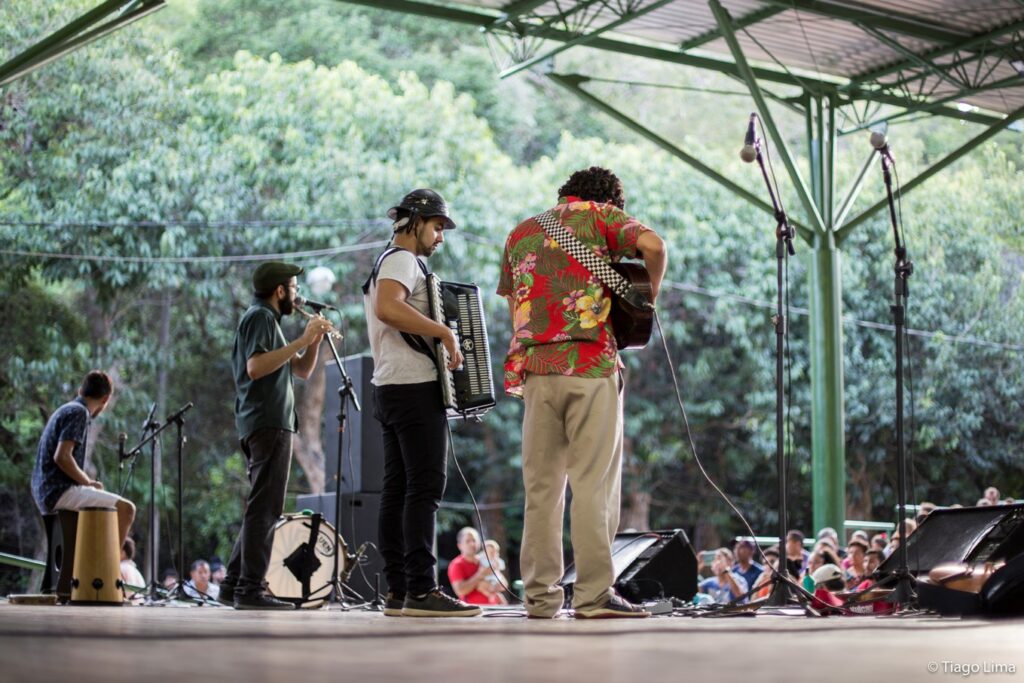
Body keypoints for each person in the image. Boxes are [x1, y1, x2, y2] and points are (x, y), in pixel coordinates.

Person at [498, 167, 667, 619]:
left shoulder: (521, 232)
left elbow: (513, 302)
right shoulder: (601, 218)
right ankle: (593, 598)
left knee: (541, 489)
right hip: (591, 364)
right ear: (612, 200)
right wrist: (649, 298)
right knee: (593, 484)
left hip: (536, 369)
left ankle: (539, 598)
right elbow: (654, 246)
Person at [363, 189, 479, 619]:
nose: (440, 238)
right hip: (412, 386)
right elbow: (389, 306)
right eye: (437, 227)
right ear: (415, 222)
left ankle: (398, 590)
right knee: (424, 489)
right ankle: (422, 590)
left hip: (390, 386)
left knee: (398, 491)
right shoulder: (401, 260)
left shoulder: (389, 261)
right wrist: (445, 333)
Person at [218, 261, 331, 611]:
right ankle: (250, 589)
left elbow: (300, 369)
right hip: (267, 422)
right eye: (294, 288)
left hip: (272, 422)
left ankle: (234, 584)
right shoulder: (261, 317)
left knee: (261, 507)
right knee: (266, 510)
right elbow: (255, 367)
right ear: (280, 290)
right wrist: (302, 337)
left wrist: (313, 341)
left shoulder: (271, 323)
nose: (297, 295)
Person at [31, 371, 136, 547]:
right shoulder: (79, 412)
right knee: (126, 509)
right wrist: (87, 482)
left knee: (102, 508)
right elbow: (62, 457)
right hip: (57, 491)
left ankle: (93, 566)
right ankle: (112, 570)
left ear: (81, 391)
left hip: (45, 490)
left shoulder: (67, 409)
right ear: (105, 399)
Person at [447, 527, 501, 606]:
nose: (472, 544)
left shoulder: (486, 561)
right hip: (472, 612)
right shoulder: (456, 564)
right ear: (459, 545)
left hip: (494, 608)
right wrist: (480, 576)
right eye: (468, 541)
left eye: (474, 540)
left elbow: (502, 584)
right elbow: (460, 590)